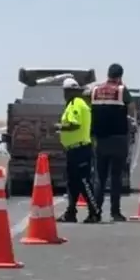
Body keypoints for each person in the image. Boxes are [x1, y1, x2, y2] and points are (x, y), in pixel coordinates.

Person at [89, 63, 137, 221]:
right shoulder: (122, 90)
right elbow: (131, 110)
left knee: (100, 178)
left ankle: (96, 212)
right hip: (118, 139)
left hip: (100, 139)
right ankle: (115, 212)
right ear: (120, 76)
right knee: (116, 177)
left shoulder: (95, 90)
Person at [55, 78, 100, 223]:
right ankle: (71, 212)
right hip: (74, 149)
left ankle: (94, 212)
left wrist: (59, 127)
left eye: (66, 91)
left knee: (84, 182)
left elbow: (75, 124)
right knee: (72, 183)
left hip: (79, 149)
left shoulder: (76, 103)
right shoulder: (76, 103)